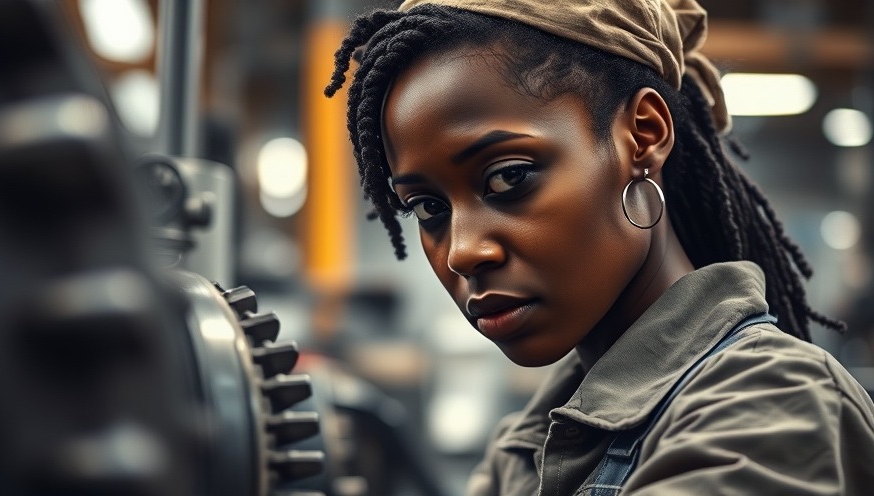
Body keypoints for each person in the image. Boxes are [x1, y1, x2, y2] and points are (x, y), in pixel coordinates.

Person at [325, 0, 874, 494]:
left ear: (644, 135)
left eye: (508, 178)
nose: (461, 253)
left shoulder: (767, 411)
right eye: (429, 208)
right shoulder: (527, 446)